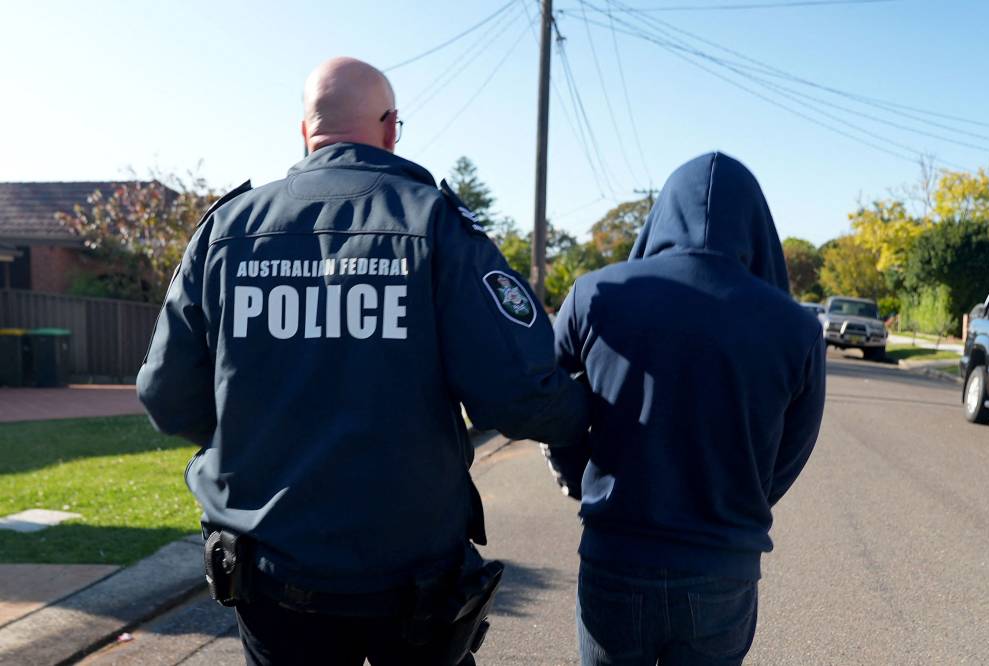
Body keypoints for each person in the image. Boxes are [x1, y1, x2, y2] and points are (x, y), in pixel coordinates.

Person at [136, 56, 588, 666]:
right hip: (411, 581)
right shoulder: (436, 225)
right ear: (391, 126)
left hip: (272, 570)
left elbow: (166, 395)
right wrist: (596, 419)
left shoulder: (226, 232)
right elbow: (521, 393)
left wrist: (247, 440)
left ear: (304, 132)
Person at [550, 152, 826, 665]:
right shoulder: (797, 329)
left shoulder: (596, 295)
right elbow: (793, 447)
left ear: (662, 212)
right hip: (723, 565)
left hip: (617, 553)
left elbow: (544, 394)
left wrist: (573, 470)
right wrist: (738, 499)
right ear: (755, 226)